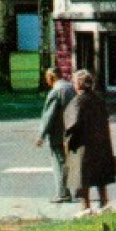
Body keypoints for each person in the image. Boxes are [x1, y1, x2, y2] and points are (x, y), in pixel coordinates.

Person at [63, 69, 116, 217]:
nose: (73, 85)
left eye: (74, 82)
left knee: (82, 175)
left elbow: (71, 124)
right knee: (100, 173)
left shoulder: (78, 101)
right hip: (100, 141)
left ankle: (85, 207)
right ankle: (104, 202)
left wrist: (67, 140)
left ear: (79, 84)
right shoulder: (98, 99)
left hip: (82, 143)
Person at [34, 67, 76, 203]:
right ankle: (77, 190)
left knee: (59, 162)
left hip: (59, 133)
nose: (46, 81)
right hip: (73, 131)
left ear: (51, 77)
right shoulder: (71, 87)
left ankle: (63, 193)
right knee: (70, 162)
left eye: (47, 78)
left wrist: (41, 135)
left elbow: (49, 116)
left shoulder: (55, 92)